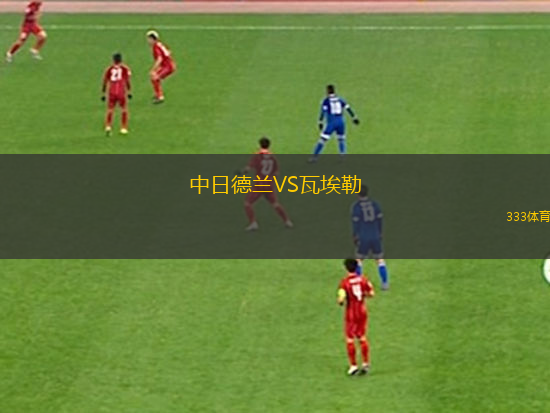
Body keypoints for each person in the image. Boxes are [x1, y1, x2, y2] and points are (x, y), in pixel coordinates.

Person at [238, 137, 293, 231]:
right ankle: (287, 221)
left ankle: (253, 223)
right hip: (269, 185)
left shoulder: (257, 156)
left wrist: (241, 172)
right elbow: (276, 172)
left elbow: (248, 168)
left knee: (247, 203)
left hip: (259, 185)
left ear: (260, 144)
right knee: (275, 204)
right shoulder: (272, 157)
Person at [338, 258, 375, 376]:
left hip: (351, 313)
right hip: (362, 311)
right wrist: (362, 296)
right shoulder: (364, 279)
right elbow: (371, 294)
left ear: (346, 268)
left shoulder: (344, 283)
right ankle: (365, 363)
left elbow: (341, 299)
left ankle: (353, 366)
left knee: (350, 339)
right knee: (362, 337)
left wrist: (341, 301)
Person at [351, 185, 389, 290]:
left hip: (363, 236)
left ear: (357, 193)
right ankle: (385, 283)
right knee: (380, 260)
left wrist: (355, 235)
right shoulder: (375, 204)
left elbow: (355, 223)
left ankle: (358, 284)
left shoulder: (356, 207)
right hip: (375, 235)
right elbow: (380, 220)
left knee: (359, 260)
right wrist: (380, 232)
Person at [310, 84, 359, 163]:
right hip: (341, 121)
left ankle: (314, 157)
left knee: (322, 140)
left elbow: (323, 112)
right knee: (341, 139)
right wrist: (354, 118)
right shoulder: (340, 100)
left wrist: (320, 122)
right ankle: (343, 157)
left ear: (327, 91)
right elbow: (348, 108)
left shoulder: (326, 101)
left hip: (332, 122)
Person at [101, 53, 132, 136]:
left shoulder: (109, 69)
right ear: (121, 60)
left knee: (110, 109)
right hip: (121, 91)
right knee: (124, 109)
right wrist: (129, 91)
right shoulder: (125, 69)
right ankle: (123, 128)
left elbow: (105, 81)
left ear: (113, 60)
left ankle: (108, 126)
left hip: (112, 91)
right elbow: (127, 80)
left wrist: (103, 93)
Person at [146, 30, 176, 104]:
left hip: (168, 67)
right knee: (154, 78)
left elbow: (159, 59)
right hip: (168, 65)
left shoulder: (156, 47)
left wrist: (153, 69)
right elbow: (168, 52)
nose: (148, 41)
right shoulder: (160, 44)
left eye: (149, 39)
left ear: (153, 39)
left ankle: (160, 97)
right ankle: (158, 94)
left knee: (154, 77)